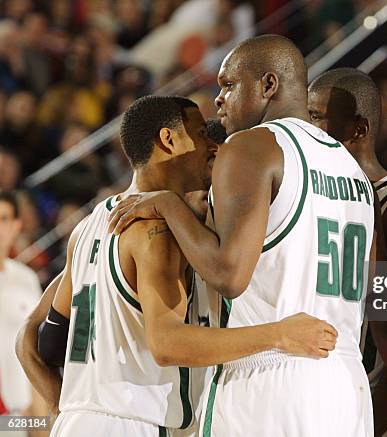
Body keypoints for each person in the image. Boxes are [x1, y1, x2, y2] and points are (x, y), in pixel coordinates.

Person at [16, 95, 337, 437]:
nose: (210, 147)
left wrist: (64, 410)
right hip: (134, 423)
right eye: (200, 134)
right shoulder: (159, 232)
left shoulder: (88, 226)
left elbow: (30, 338)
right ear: (168, 140)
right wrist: (280, 335)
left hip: (80, 422)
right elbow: (167, 344)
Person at [108, 35, 378, 437]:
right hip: (346, 382)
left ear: (269, 85)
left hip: (270, 375)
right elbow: (370, 294)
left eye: (229, 85)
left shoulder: (252, 146)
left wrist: (168, 204)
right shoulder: (352, 170)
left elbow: (229, 275)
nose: (218, 100)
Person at [307, 67, 387, 437]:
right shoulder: (318, 193)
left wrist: (367, 424)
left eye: (316, 117)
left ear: (358, 129)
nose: (306, 128)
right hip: (317, 398)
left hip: (367, 410)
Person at [0, 191, 47, 437]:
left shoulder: (26, 278)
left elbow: (35, 347)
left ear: (17, 225)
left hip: (21, 415)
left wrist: (39, 418)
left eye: (4, 219)